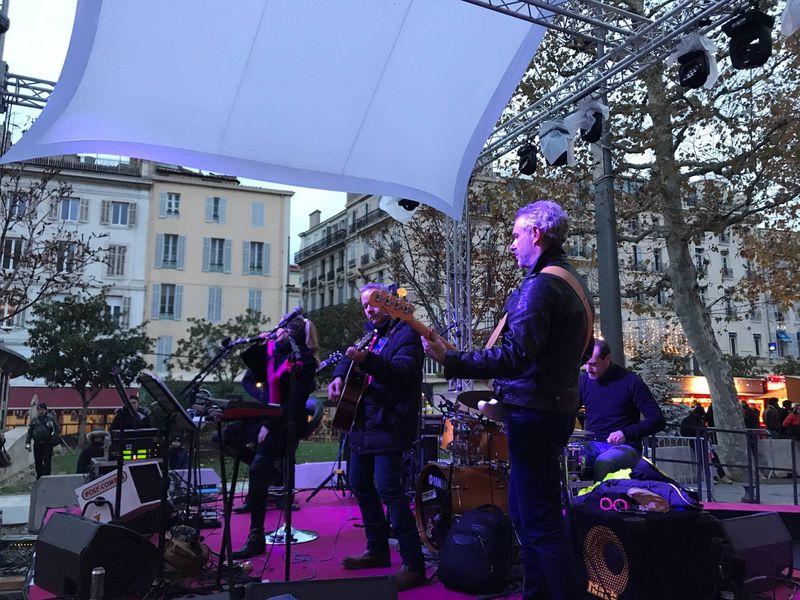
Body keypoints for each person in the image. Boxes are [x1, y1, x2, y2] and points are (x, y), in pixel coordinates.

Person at [422, 200, 592, 600]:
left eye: (516, 236)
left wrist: (452, 359)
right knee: (525, 513)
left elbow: (514, 356)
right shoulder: (571, 282)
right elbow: (579, 353)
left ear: (536, 234)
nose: (511, 245)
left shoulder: (541, 286)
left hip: (535, 415)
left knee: (540, 522)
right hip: (550, 409)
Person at [329, 282, 426, 592]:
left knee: (389, 491)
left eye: (372, 303)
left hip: (389, 424)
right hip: (363, 424)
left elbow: (403, 373)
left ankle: (413, 565)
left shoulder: (406, 334)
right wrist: (338, 376)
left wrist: (365, 360)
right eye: (364, 306)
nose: (368, 310)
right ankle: (377, 549)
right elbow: (349, 357)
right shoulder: (372, 334)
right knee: (360, 484)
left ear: (387, 302)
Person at [232, 313, 319, 559]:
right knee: (228, 435)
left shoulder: (304, 362)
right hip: (267, 415)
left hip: (286, 421)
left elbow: (295, 401)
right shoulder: (273, 354)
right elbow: (249, 363)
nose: (275, 331)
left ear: (290, 335)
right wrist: (262, 342)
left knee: (259, 466)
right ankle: (272, 473)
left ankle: (256, 535)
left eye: (280, 329)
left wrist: (269, 425)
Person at [580, 339, 666, 481]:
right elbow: (569, 409)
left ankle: (602, 500)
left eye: (593, 364)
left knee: (603, 462)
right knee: (567, 458)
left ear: (608, 359)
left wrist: (625, 433)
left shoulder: (631, 381)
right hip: (594, 443)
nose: (588, 369)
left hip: (626, 446)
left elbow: (657, 420)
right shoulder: (584, 380)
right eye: (586, 364)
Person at [679, 406, 732, 483]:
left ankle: (720, 475)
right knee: (705, 459)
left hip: (704, 441)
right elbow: (684, 432)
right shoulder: (688, 421)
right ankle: (711, 476)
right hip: (696, 441)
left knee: (713, 457)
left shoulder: (699, 420)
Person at [26, 403, 59, 479]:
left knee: (47, 461)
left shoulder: (50, 419)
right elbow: (30, 432)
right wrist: (27, 442)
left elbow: (56, 430)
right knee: (38, 461)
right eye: (39, 410)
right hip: (37, 444)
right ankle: (39, 477)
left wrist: (52, 441)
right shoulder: (34, 420)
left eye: (42, 410)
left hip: (47, 444)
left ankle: (46, 477)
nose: (40, 411)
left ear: (45, 410)